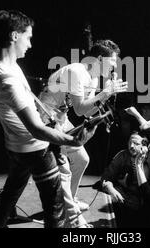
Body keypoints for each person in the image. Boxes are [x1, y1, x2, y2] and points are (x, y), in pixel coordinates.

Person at [0, 10, 95, 228]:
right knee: (55, 208)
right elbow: (36, 129)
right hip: (35, 149)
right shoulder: (8, 81)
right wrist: (73, 141)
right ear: (14, 36)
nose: (31, 44)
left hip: (15, 146)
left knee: (9, 194)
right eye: (28, 37)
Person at [38, 39, 128, 210]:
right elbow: (79, 110)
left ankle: (70, 199)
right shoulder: (76, 71)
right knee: (63, 167)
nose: (114, 66)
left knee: (81, 159)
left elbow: (87, 111)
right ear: (100, 59)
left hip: (60, 118)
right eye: (112, 62)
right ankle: (67, 209)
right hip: (45, 117)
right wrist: (106, 92)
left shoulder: (93, 78)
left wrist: (106, 96)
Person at [99, 132, 150, 227]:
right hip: (125, 198)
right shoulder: (122, 156)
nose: (131, 146)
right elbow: (105, 178)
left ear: (144, 146)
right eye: (130, 142)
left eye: (136, 143)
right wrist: (111, 189)